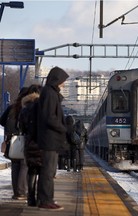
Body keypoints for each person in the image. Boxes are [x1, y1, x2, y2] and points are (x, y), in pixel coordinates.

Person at [37, 66, 69, 211]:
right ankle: (45, 200)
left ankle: (47, 199)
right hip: (49, 139)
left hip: (51, 139)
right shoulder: (49, 93)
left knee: (49, 172)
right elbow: (49, 117)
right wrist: (63, 128)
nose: (64, 83)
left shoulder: (51, 93)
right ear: (57, 79)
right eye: (63, 80)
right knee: (48, 172)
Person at [0, 87, 29, 200]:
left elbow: (1, 121)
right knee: (24, 165)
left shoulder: (11, 107)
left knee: (15, 165)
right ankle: (21, 192)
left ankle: (16, 192)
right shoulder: (26, 108)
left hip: (10, 141)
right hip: (22, 140)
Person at [19, 84, 42, 206]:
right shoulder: (41, 107)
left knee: (31, 171)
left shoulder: (25, 108)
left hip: (28, 142)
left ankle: (31, 198)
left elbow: (21, 126)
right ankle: (40, 198)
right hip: (41, 143)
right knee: (42, 171)